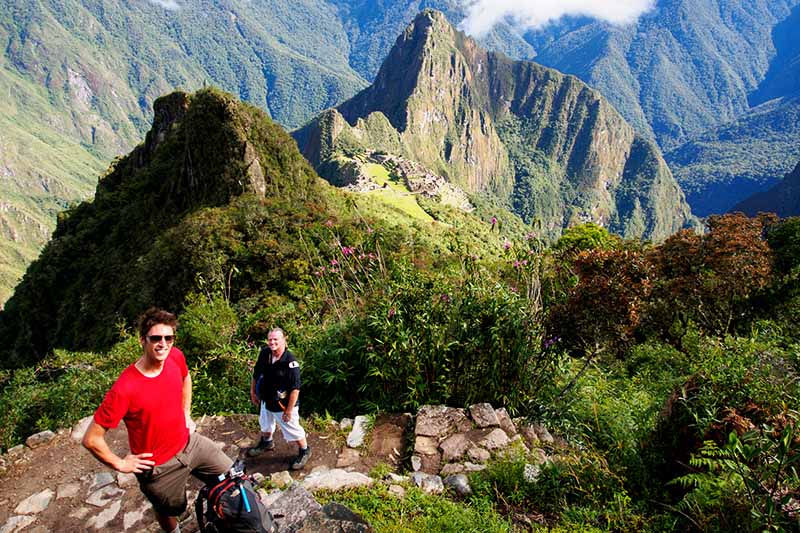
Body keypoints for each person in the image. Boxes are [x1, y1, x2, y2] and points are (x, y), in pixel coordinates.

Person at [82, 308, 232, 533]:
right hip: (158, 467)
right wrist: (120, 464)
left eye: (168, 338)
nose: (163, 343)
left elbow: (186, 377)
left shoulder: (175, 356)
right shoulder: (125, 388)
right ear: (143, 340)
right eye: (156, 338)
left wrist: (186, 412)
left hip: (190, 443)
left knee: (232, 477)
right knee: (170, 509)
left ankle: (227, 518)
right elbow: (92, 439)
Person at [248, 328, 311, 469]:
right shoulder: (265, 354)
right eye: (270, 339)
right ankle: (267, 442)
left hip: (284, 403)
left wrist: (288, 411)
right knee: (265, 423)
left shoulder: (290, 363)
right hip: (266, 397)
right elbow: (256, 374)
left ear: (284, 340)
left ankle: (304, 450)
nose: (272, 342)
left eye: (276, 339)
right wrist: (253, 392)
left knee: (292, 428)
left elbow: (295, 389)